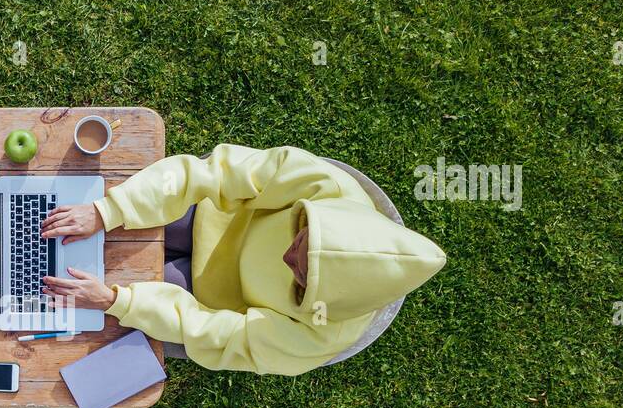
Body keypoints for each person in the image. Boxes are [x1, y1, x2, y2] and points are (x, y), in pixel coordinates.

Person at [41, 144, 446, 375]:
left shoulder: (321, 336)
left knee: (76, 301)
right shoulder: (328, 187)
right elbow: (210, 176)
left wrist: (116, 301)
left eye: (298, 274)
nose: (287, 254)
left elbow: (215, 333)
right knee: (77, 221)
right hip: (211, 215)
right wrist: (107, 211)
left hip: (206, 297)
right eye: (299, 235)